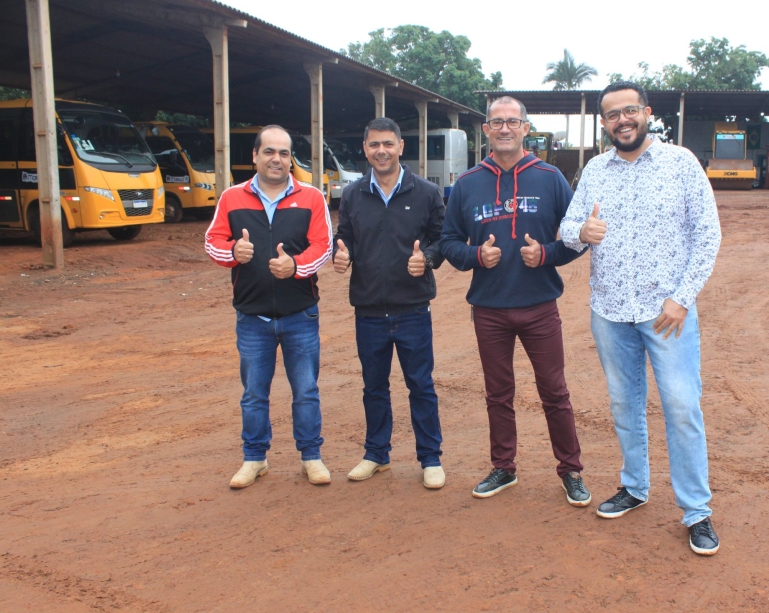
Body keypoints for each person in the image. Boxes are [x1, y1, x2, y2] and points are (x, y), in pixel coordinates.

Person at [559, 81, 723, 555]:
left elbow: (707, 234)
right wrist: (582, 231)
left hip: (667, 315)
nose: (622, 120)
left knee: (682, 408)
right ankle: (635, 486)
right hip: (610, 312)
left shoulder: (681, 163)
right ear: (604, 123)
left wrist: (682, 298)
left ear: (647, 113)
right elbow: (568, 228)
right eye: (613, 114)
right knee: (624, 406)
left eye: (630, 110)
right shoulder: (595, 170)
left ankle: (697, 511)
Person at [440, 96, 590, 507]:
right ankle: (503, 467)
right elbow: (448, 241)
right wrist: (475, 256)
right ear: (485, 130)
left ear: (525, 128)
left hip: (540, 305)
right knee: (498, 393)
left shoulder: (550, 178)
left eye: (512, 121)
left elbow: (576, 238)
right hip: (489, 308)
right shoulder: (468, 183)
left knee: (554, 391)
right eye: (496, 122)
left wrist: (546, 254)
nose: (504, 128)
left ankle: (571, 470)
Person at [205, 125, 333, 489]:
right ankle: (254, 459)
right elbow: (212, 241)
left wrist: (296, 266)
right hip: (252, 317)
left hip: (300, 315)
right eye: (269, 152)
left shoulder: (311, 197)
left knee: (306, 391)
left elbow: (323, 245)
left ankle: (311, 457)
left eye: (284, 153)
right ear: (255, 156)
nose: (277, 159)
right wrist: (233, 251)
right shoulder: (231, 198)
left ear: (290, 159)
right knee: (253, 395)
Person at [332, 117, 446, 489]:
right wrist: (340, 254)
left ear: (400, 147)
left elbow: (441, 240)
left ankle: (430, 459)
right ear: (365, 149)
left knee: (421, 385)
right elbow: (344, 238)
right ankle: (376, 454)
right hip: (368, 311)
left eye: (388, 144)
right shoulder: (352, 194)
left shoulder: (427, 193)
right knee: (374, 387)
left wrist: (427, 259)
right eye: (374, 145)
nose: (381, 151)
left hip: (413, 309)